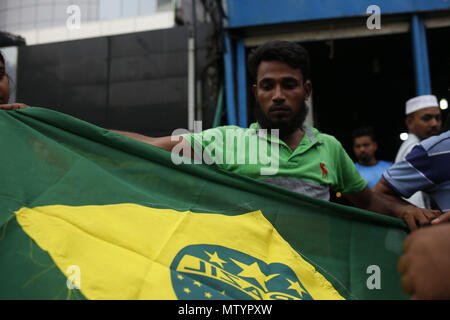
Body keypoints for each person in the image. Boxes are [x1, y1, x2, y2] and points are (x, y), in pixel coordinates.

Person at [113, 40, 440, 231]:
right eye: (268, 86)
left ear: (306, 90)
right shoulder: (226, 141)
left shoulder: (328, 148)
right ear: (256, 93)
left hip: (316, 280)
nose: (278, 95)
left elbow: (367, 201)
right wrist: (77, 134)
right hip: (244, 284)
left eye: (289, 84)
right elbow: (151, 147)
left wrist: (403, 211)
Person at [394, 95, 442, 208]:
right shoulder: (415, 149)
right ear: (410, 122)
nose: (434, 124)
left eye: (438, 118)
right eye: (427, 118)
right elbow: (416, 202)